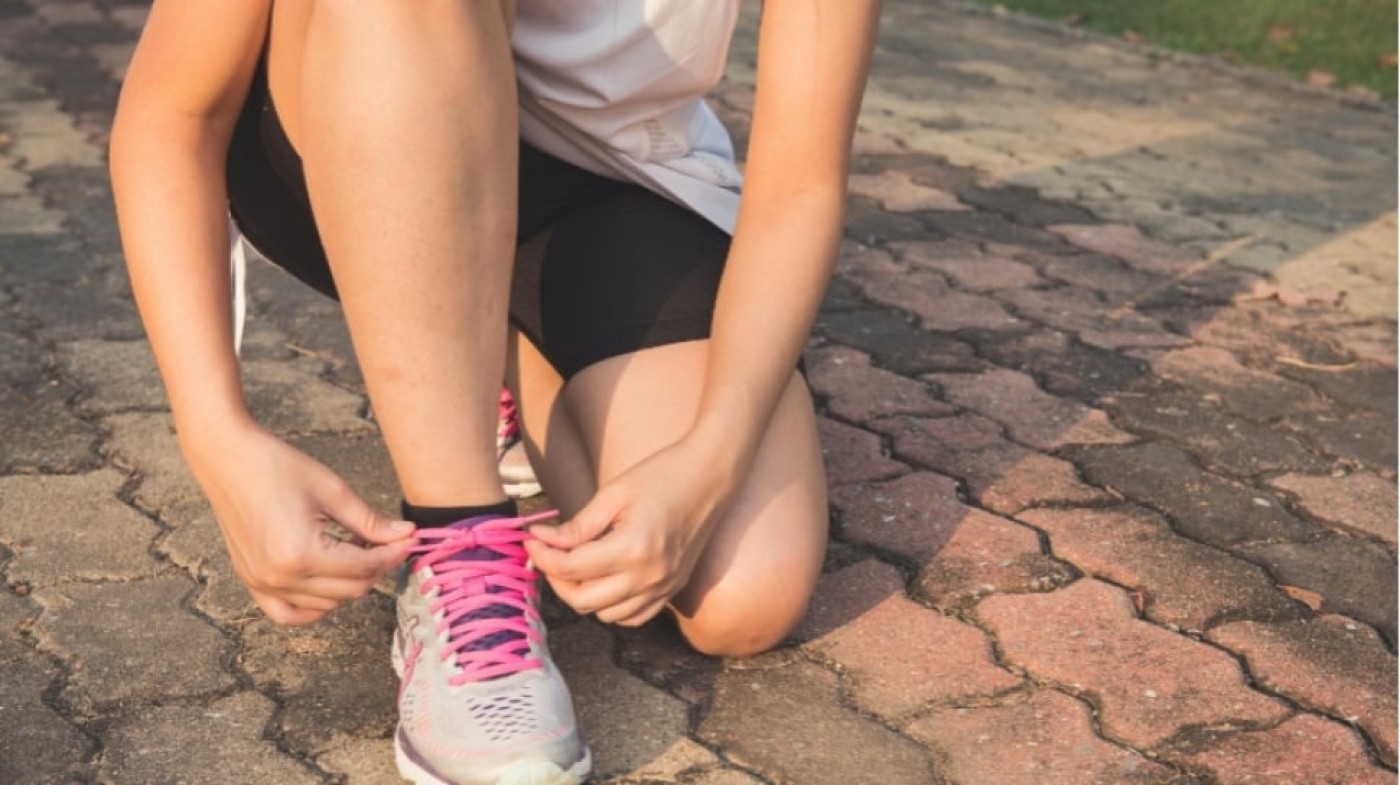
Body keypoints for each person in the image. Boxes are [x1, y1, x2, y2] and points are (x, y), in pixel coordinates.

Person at [109, 2, 881, 783]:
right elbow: (171, 114)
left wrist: (710, 455)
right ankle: (458, 542)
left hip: (612, 179)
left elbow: (802, 183)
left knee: (740, 591)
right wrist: (215, 433)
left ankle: (479, 353)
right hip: (354, 109)